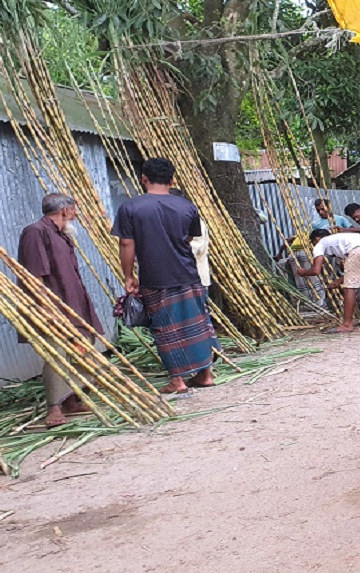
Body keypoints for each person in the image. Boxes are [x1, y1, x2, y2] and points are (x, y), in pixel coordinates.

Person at [113, 157, 219, 394]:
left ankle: (178, 381)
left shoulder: (130, 207)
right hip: (189, 274)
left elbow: (126, 244)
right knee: (198, 323)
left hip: (155, 277)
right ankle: (205, 374)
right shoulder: (187, 207)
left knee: (165, 327)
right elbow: (190, 238)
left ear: (143, 179)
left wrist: (129, 275)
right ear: (172, 180)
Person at [17, 193, 103, 427]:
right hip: (52, 306)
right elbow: (34, 275)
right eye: (74, 210)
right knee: (56, 353)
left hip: (73, 303)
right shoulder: (36, 232)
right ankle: (54, 408)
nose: (75, 215)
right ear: (65, 210)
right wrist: (47, 309)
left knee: (82, 348)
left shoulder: (63, 234)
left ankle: (72, 399)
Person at [295, 228, 360, 333]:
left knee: (349, 289)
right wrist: (338, 281)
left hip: (358, 251)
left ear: (316, 239)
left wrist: (303, 272)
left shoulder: (320, 243)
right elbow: (355, 272)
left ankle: (347, 324)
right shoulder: (338, 239)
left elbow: (316, 270)